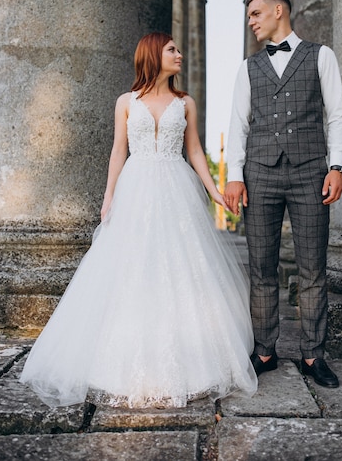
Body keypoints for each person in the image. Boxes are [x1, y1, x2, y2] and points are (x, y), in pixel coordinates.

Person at [20, 32, 257, 408]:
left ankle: (191, 365)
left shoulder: (186, 102)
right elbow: (119, 149)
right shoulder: (126, 102)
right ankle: (117, 364)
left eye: (178, 49)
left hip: (176, 186)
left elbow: (194, 150)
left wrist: (214, 192)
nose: (179, 55)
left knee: (180, 268)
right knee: (130, 269)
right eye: (172, 50)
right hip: (136, 186)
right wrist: (109, 196)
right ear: (153, 55)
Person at [224, 0, 342, 388]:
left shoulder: (321, 55)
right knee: (261, 267)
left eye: (256, 13)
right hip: (259, 173)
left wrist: (337, 166)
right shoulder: (248, 67)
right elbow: (238, 124)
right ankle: (265, 351)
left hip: (311, 171)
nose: (252, 21)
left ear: (280, 11)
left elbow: (338, 115)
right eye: (249, 16)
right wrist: (234, 174)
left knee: (313, 268)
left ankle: (313, 356)